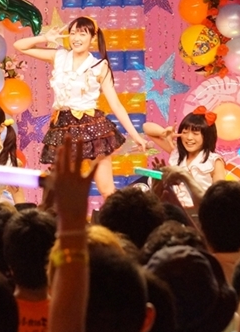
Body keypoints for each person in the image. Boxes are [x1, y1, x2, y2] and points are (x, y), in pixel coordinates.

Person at [14, 16, 149, 198]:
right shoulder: (59, 56)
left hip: (92, 128)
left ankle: (121, 215)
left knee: (106, 190)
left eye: (82, 34)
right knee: (63, 191)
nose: (76, 38)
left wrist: (136, 136)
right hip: (63, 127)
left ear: (93, 38)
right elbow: (20, 46)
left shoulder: (99, 66)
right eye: (73, 33)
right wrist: (45, 38)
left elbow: (116, 104)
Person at [144, 107, 225, 208]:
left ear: (207, 136)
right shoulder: (177, 153)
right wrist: (163, 132)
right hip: (173, 211)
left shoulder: (214, 161)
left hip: (200, 212)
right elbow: (146, 127)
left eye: (195, 134)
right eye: (185, 132)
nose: (189, 138)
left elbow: (219, 197)